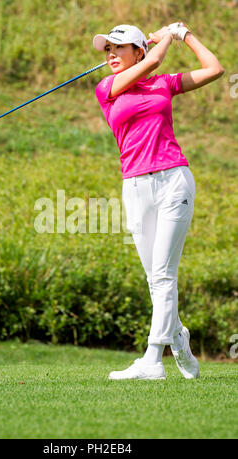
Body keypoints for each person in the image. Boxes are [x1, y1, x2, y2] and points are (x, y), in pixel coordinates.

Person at [93, 23, 224, 380]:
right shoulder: (107, 88)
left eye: (118, 48)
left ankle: (153, 359)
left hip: (173, 181)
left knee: (164, 275)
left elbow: (215, 70)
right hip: (134, 187)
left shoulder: (162, 84)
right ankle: (179, 337)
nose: (110, 55)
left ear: (137, 50)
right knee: (155, 278)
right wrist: (163, 39)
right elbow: (151, 64)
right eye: (108, 49)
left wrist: (185, 35)